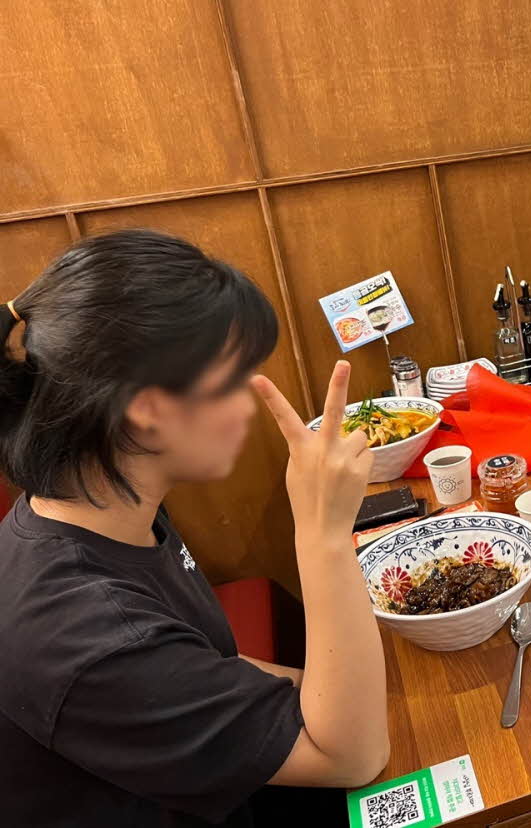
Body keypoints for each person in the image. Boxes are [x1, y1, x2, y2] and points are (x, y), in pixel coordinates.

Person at [0, 230, 388, 826]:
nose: (249, 406)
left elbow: (201, 665)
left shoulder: (104, 507)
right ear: (148, 410)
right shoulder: (83, 633)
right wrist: (324, 533)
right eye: (235, 381)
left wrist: (343, 693)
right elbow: (354, 758)